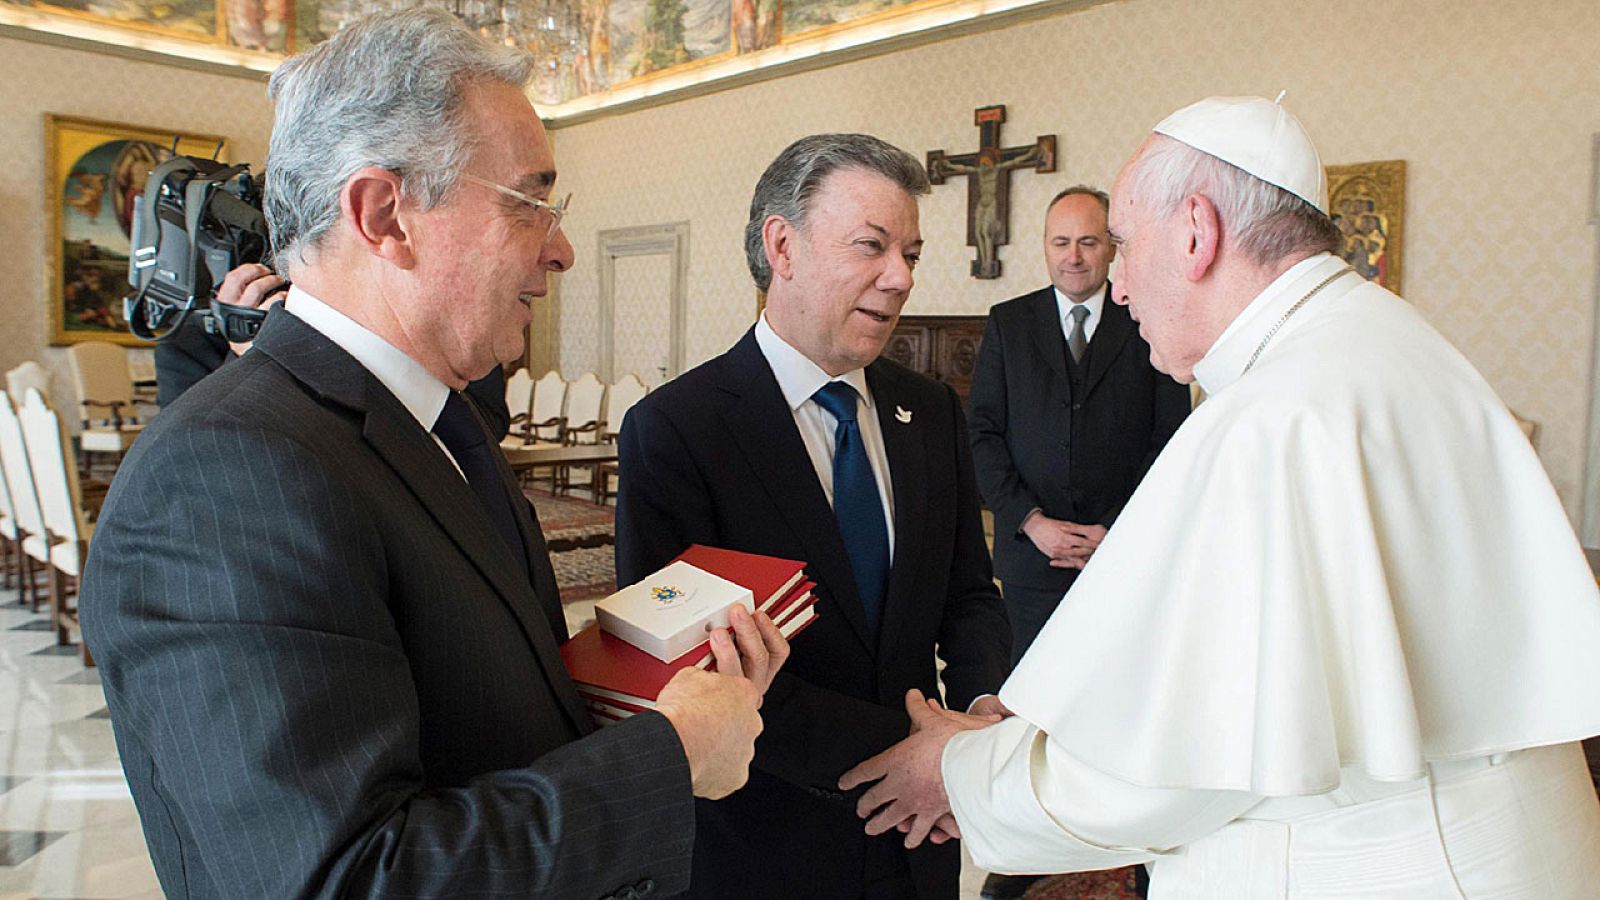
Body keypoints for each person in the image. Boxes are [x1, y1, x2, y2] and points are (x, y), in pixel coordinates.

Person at [79, 10, 788, 898]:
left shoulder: (444, 426)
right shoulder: (222, 477)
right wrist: (670, 755)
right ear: (385, 215)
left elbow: (477, 717)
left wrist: (643, 687)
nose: (562, 250)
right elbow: (347, 879)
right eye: (531, 204)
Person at [839, 96, 1600, 897]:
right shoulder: (1388, 341)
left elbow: (1180, 763)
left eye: (1124, 243)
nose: (1117, 286)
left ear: (1197, 232)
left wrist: (960, 772)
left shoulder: (1273, 417)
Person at [615, 133, 1011, 899]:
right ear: (782, 247)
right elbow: (697, 667)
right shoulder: (677, 429)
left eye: (911, 254)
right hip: (767, 840)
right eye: (872, 245)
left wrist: (980, 708)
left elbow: (968, 593)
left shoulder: (930, 411)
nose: (900, 278)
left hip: (918, 838)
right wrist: (922, 747)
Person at [966, 185, 1188, 899]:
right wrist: (1030, 521)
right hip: (1030, 558)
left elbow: (1171, 440)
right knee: (1031, 711)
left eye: (1088, 242)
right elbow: (983, 435)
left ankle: (1129, 850)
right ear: (1044, 247)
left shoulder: (1146, 319)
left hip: (1121, 560)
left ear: (1111, 248)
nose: (1073, 256)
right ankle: (1022, 857)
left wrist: (1116, 530)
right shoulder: (1009, 323)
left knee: (1119, 709)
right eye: (1060, 242)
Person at [153, 263, 512, 436]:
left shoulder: (420, 309)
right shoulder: (189, 339)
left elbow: (489, 424)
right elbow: (196, 454)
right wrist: (257, 357)